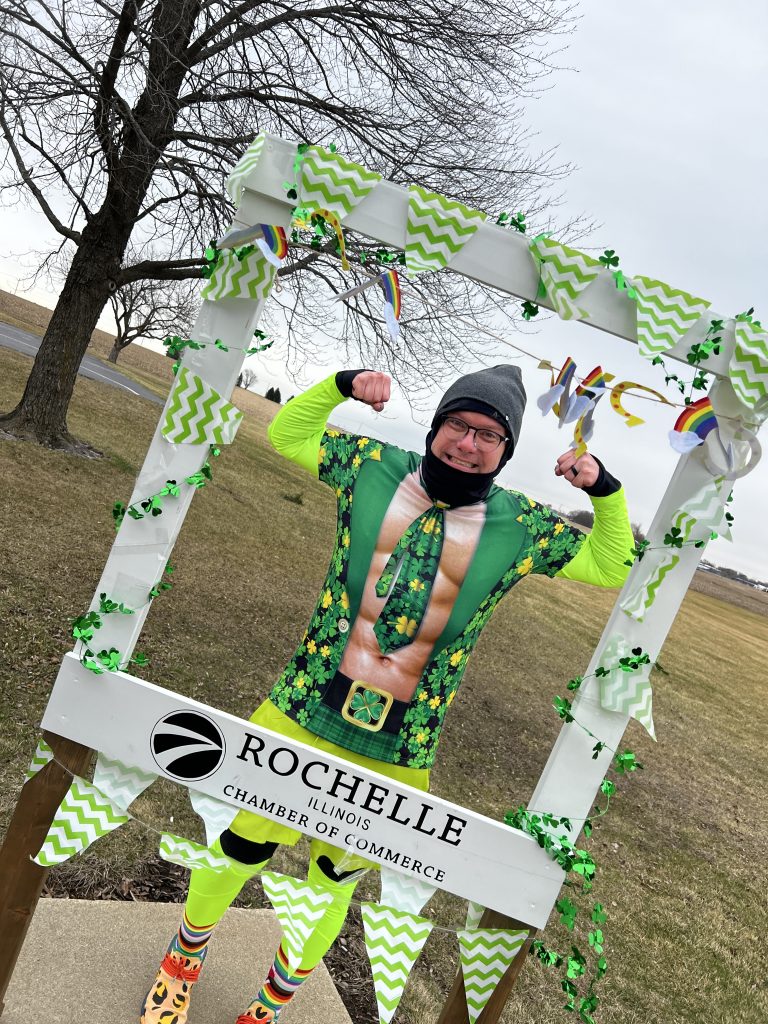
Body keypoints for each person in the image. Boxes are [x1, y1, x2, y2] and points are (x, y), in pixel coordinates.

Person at [141, 365, 634, 1024]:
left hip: (401, 745)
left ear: (506, 450)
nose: (468, 443)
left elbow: (611, 563)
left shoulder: (521, 525)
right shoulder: (371, 465)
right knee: (240, 847)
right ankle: (180, 965)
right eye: (458, 424)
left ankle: (269, 1006)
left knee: (332, 884)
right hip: (303, 706)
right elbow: (289, 435)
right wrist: (342, 384)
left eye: (489, 435)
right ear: (437, 426)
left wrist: (603, 488)